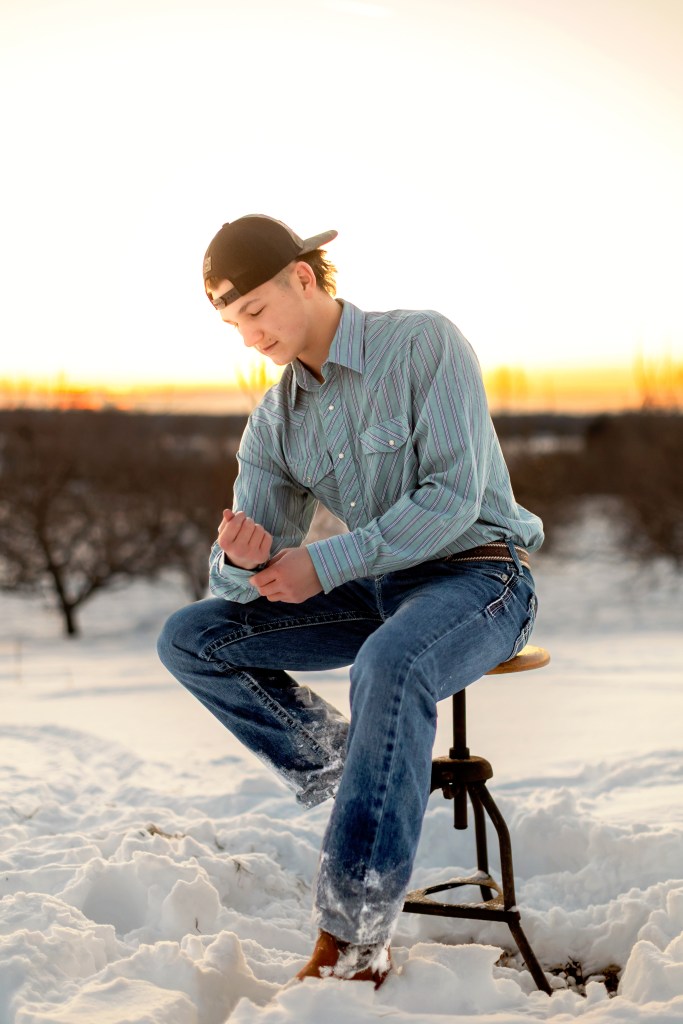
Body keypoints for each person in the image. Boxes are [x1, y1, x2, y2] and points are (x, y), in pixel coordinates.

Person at [157, 214, 543, 987]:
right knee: (193, 637)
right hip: (378, 589)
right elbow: (242, 571)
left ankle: (355, 943)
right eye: (233, 324)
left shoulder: (422, 344)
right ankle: (349, 765)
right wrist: (246, 560)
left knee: (389, 661)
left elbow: (448, 499)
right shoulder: (276, 419)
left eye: (255, 312)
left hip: (480, 575)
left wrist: (322, 563)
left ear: (303, 277)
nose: (247, 336)